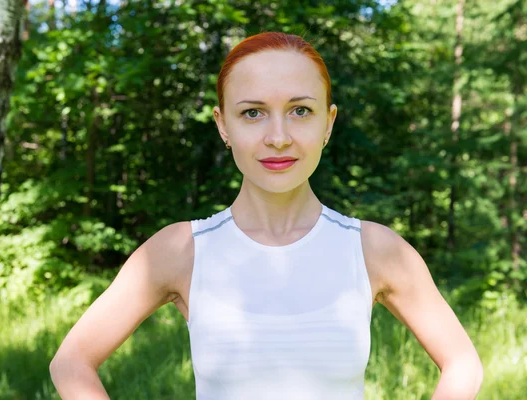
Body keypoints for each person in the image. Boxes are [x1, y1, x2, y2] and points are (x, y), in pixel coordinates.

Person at [50, 32, 483, 399]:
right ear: (223, 125)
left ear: (328, 123)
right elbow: (71, 363)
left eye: (300, 111)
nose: (278, 138)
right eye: (252, 113)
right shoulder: (181, 249)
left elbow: (462, 362)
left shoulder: (374, 249)